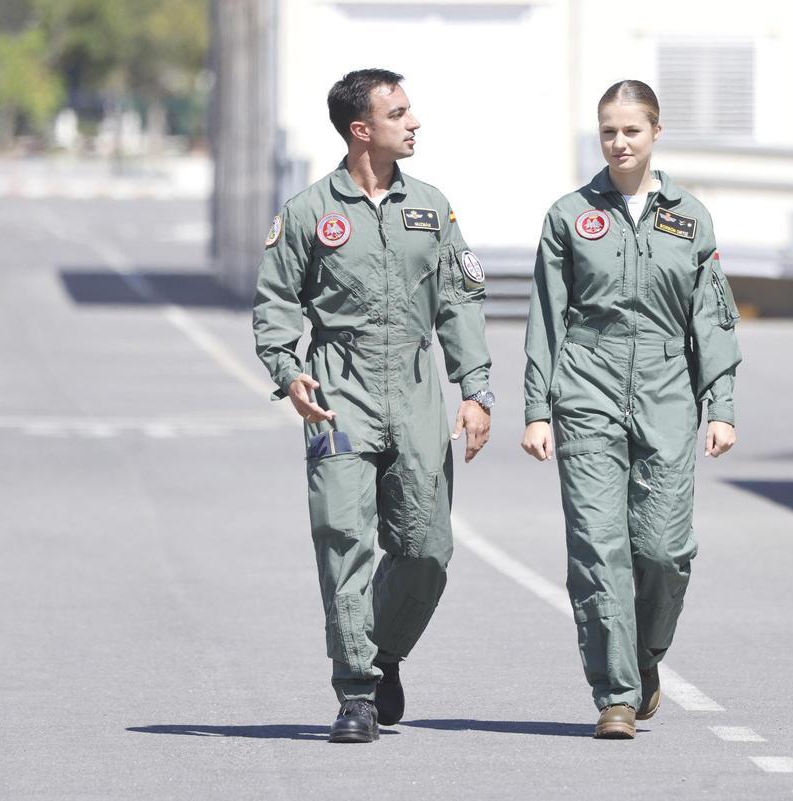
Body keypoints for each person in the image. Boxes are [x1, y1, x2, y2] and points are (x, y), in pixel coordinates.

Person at [253, 68, 494, 743]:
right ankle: (356, 690)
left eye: (410, 109)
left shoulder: (432, 207)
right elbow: (276, 301)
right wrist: (288, 371)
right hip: (341, 389)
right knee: (344, 542)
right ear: (362, 130)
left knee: (426, 549)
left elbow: (458, 303)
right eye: (399, 112)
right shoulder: (307, 213)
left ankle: (383, 650)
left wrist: (475, 389)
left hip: (416, 390)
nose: (414, 122)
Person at [520, 79, 740, 739]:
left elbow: (715, 318)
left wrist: (721, 403)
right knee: (597, 545)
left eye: (631, 130)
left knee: (664, 547)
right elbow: (546, 318)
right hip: (586, 384)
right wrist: (537, 407)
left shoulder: (690, 218)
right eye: (608, 131)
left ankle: (644, 658)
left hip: (668, 389)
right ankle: (615, 692)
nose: (619, 142)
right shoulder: (568, 215)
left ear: (655, 132)